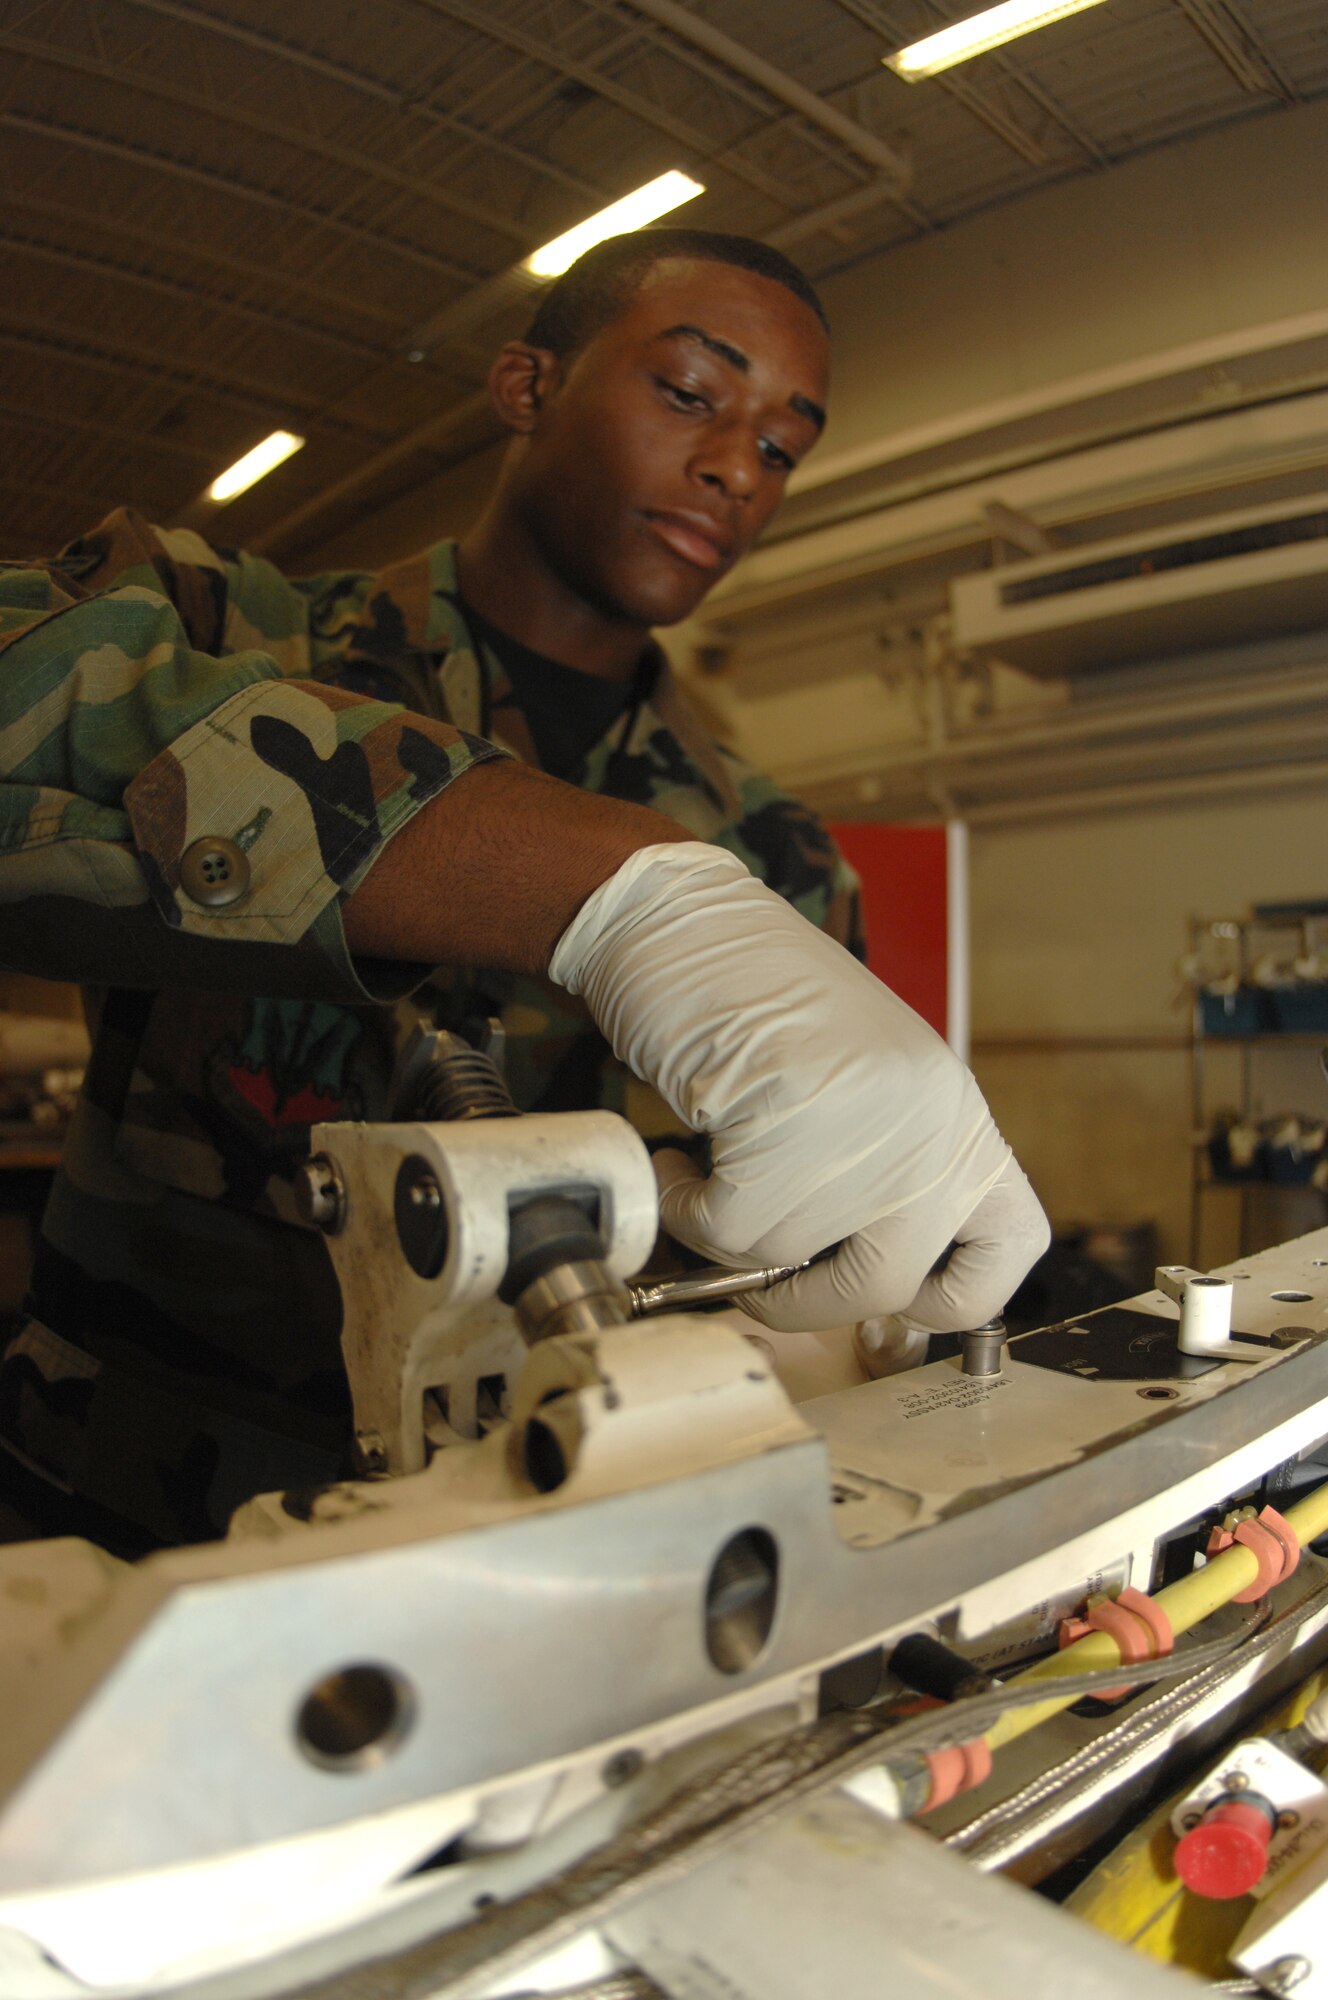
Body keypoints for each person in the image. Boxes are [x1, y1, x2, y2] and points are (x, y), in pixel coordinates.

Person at [0, 230, 1048, 1549]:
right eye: (688, 395)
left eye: (783, 447)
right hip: (141, 1518)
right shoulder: (233, 633)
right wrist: (588, 882)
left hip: (544, 1531)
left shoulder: (776, 855)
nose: (734, 467)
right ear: (526, 386)